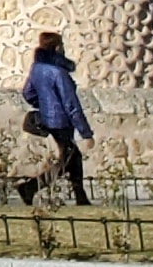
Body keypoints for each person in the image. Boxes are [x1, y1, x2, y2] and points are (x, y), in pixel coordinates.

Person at [17, 32, 92, 206]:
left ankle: (81, 196)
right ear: (57, 48)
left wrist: (44, 103)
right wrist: (85, 131)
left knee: (74, 156)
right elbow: (70, 103)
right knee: (67, 158)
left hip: (46, 117)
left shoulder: (37, 69)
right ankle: (30, 187)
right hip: (61, 120)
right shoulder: (59, 73)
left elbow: (28, 92)